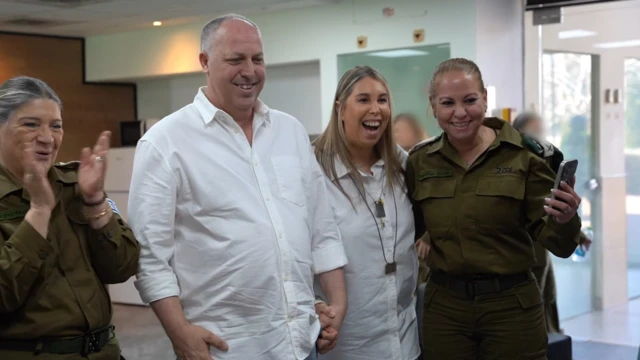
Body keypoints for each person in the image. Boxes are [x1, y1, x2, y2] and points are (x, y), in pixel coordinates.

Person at [127, 14, 348, 360]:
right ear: (204, 61)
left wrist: (336, 305)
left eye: (257, 59)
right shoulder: (165, 143)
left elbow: (322, 229)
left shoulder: (289, 132)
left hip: (300, 342)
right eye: (235, 59)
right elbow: (150, 258)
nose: (250, 71)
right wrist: (179, 333)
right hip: (226, 348)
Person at [406, 58, 585, 359]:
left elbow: (561, 244)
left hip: (511, 308)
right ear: (433, 106)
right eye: (447, 103)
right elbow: (405, 229)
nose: (460, 112)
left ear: (485, 99)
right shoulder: (420, 161)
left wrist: (567, 219)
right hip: (446, 310)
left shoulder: (525, 157)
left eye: (470, 100)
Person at [0, 76, 140, 359]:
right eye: (31, 124)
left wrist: (95, 201)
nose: (47, 138)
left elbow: (123, 266)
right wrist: (39, 211)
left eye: (56, 126)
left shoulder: (73, 184)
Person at [312, 65, 420, 360]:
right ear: (340, 109)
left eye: (382, 100)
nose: (376, 109)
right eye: (363, 100)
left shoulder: (402, 166)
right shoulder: (313, 172)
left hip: (404, 339)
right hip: (346, 343)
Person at [513, 111, 562, 333]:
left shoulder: (547, 160)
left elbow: (550, 204)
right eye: (534, 130)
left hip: (541, 247)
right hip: (521, 249)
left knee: (545, 298)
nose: (539, 136)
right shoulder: (512, 162)